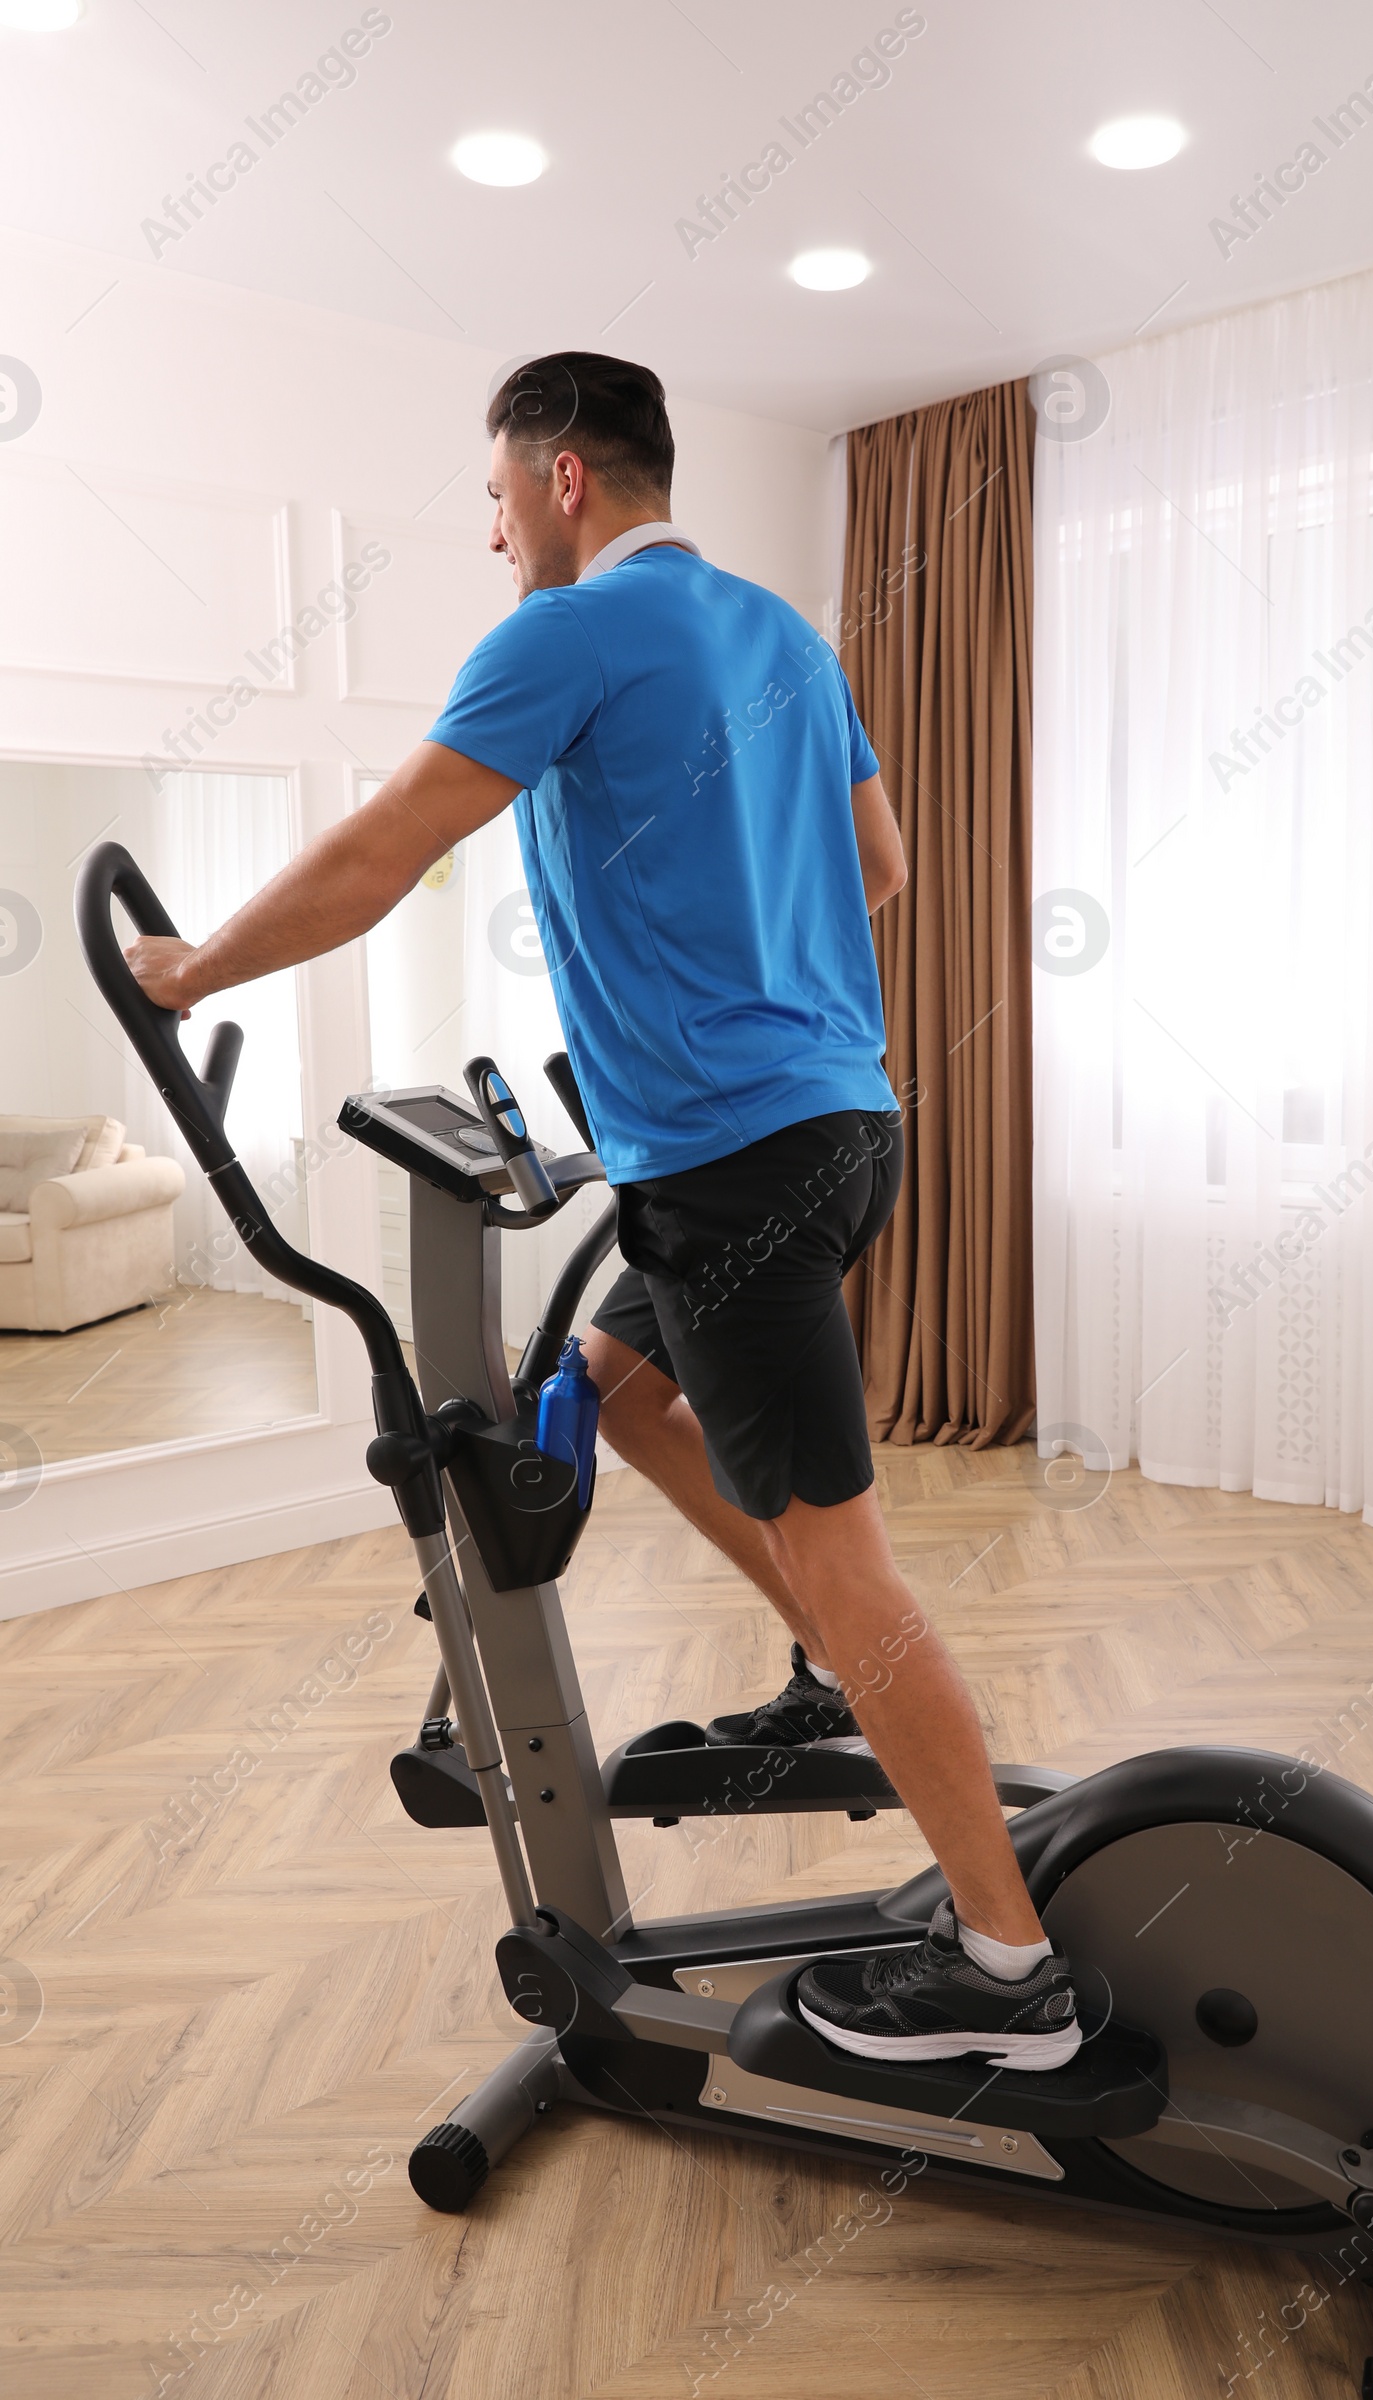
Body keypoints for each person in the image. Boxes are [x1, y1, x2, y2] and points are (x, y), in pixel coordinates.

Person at [125, 352, 1079, 2073]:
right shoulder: (783, 633)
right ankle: (820, 1680)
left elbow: (379, 856)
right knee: (627, 1397)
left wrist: (189, 970)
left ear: (567, 478)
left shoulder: (561, 638)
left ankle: (1010, 1976)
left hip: (727, 1160)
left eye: (497, 504)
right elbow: (880, 867)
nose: (496, 540)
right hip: (849, 1123)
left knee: (849, 1553)